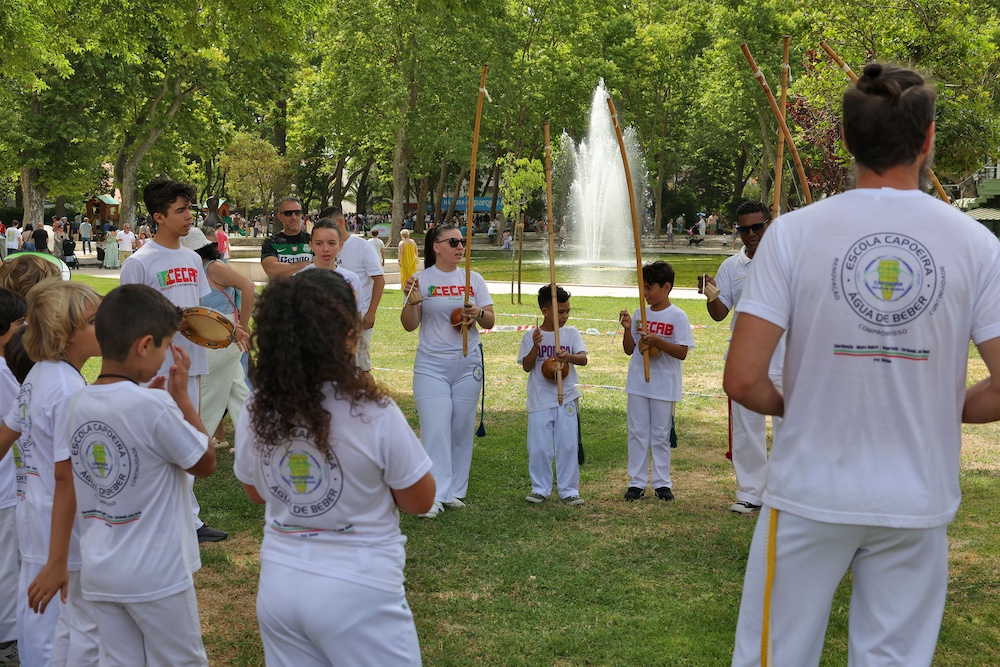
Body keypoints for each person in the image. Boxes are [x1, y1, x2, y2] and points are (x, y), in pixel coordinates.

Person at [724, 63, 1000, 666]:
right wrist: (936, 408)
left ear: (846, 139)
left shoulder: (793, 234)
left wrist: (798, 405)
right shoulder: (977, 244)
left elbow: (743, 378)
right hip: (917, 497)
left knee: (773, 657)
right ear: (928, 139)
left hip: (807, 491)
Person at [235, 269, 434, 666]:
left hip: (280, 584)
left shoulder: (257, 408)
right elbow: (420, 499)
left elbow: (255, 491)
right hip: (359, 588)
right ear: (346, 333)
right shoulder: (372, 411)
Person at [26, 284, 215, 667]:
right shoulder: (156, 406)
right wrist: (180, 399)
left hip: (101, 570)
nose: (165, 357)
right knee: (180, 660)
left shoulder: (76, 401)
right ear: (145, 345)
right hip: (157, 574)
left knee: (119, 660)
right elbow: (205, 462)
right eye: (164, 347)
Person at [0, 279, 103, 666]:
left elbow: (7, 435)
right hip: (60, 539)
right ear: (65, 335)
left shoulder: (40, 374)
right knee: (58, 634)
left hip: (35, 524)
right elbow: (67, 476)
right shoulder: (65, 389)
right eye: (93, 322)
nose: (103, 328)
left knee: (36, 620)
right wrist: (59, 559)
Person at [120, 177, 227, 543]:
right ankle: (153, 514)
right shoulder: (139, 262)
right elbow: (128, 318)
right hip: (153, 370)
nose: (188, 217)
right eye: (180, 210)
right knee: (152, 446)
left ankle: (189, 519)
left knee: (189, 442)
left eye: (189, 209)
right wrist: (167, 320)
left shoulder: (191, 258)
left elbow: (201, 309)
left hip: (191, 364)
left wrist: (226, 328)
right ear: (158, 217)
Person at [401, 224, 495, 518]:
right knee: (436, 426)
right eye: (453, 241)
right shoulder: (421, 279)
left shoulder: (473, 279)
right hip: (432, 364)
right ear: (436, 247)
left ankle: (454, 490)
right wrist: (412, 300)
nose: (460, 246)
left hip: (468, 364)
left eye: (462, 241)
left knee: (460, 428)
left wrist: (477, 314)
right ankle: (432, 496)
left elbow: (490, 321)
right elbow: (409, 324)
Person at [698, 201, 784, 514]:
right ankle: (751, 492)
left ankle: (784, 493)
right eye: (744, 229)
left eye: (757, 227)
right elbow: (720, 314)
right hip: (747, 360)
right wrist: (711, 295)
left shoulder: (791, 259)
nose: (751, 234)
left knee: (789, 429)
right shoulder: (731, 267)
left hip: (787, 359)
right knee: (747, 430)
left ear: (769, 224)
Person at [618, 261, 695, 502]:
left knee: (660, 434)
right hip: (639, 383)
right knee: (638, 431)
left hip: (664, 384)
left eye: (650, 288)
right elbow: (629, 349)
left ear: (666, 287)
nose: (645, 293)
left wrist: (658, 341)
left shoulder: (678, 316)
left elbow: (682, 352)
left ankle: (662, 483)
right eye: (643, 287)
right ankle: (637, 482)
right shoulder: (641, 312)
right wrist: (628, 328)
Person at [181, 226, 253, 451]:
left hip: (225, 333)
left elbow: (248, 286)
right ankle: (252, 440)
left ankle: (196, 442)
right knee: (237, 389)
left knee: (209, 388)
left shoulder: (213, 267)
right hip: (213, 333)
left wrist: (243, 324)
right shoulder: (197, 268)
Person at [518, 285, 588, 505]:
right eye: (560, 312)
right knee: (539, 446)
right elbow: (527, 366)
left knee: (567, 444)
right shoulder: (532, 336)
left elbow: (583, 359)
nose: (565, 316)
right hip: (540, 399)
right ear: (545, 311)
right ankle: (540, 487)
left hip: (565, 396)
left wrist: (567, 357)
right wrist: (536, 347)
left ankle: (569, 490)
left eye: (567, 311)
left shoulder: (571, 333)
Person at [327, 208, 385, 373]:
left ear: (340, 222)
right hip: (332, 319)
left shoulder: (363, 247)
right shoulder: (326, 250)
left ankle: (365, 396)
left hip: (359, 319)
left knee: (360, 367)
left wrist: (371, 313)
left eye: (329, 224)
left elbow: (379, 280)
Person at [0, 289, 25, 665]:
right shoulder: (5, 373)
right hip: (5, 489)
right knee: (8, 565)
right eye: (21, 324)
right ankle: (7, 639)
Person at [299, 219, 367, 318]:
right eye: (319, 243)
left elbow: (357, 317)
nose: (325, 249)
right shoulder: (299, 279)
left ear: (340, 245)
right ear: (311, 246)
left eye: (331, 243)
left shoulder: (351, 279)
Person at [261, 196, 312, 279]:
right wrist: (307, 264)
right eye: (288, 213)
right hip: (282, 291)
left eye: (297, 213)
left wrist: (284, 269)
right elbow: (272, 270)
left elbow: (321, 268)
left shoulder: (312, 240)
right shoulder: (271, 243)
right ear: (280, 216)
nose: (293, 217)